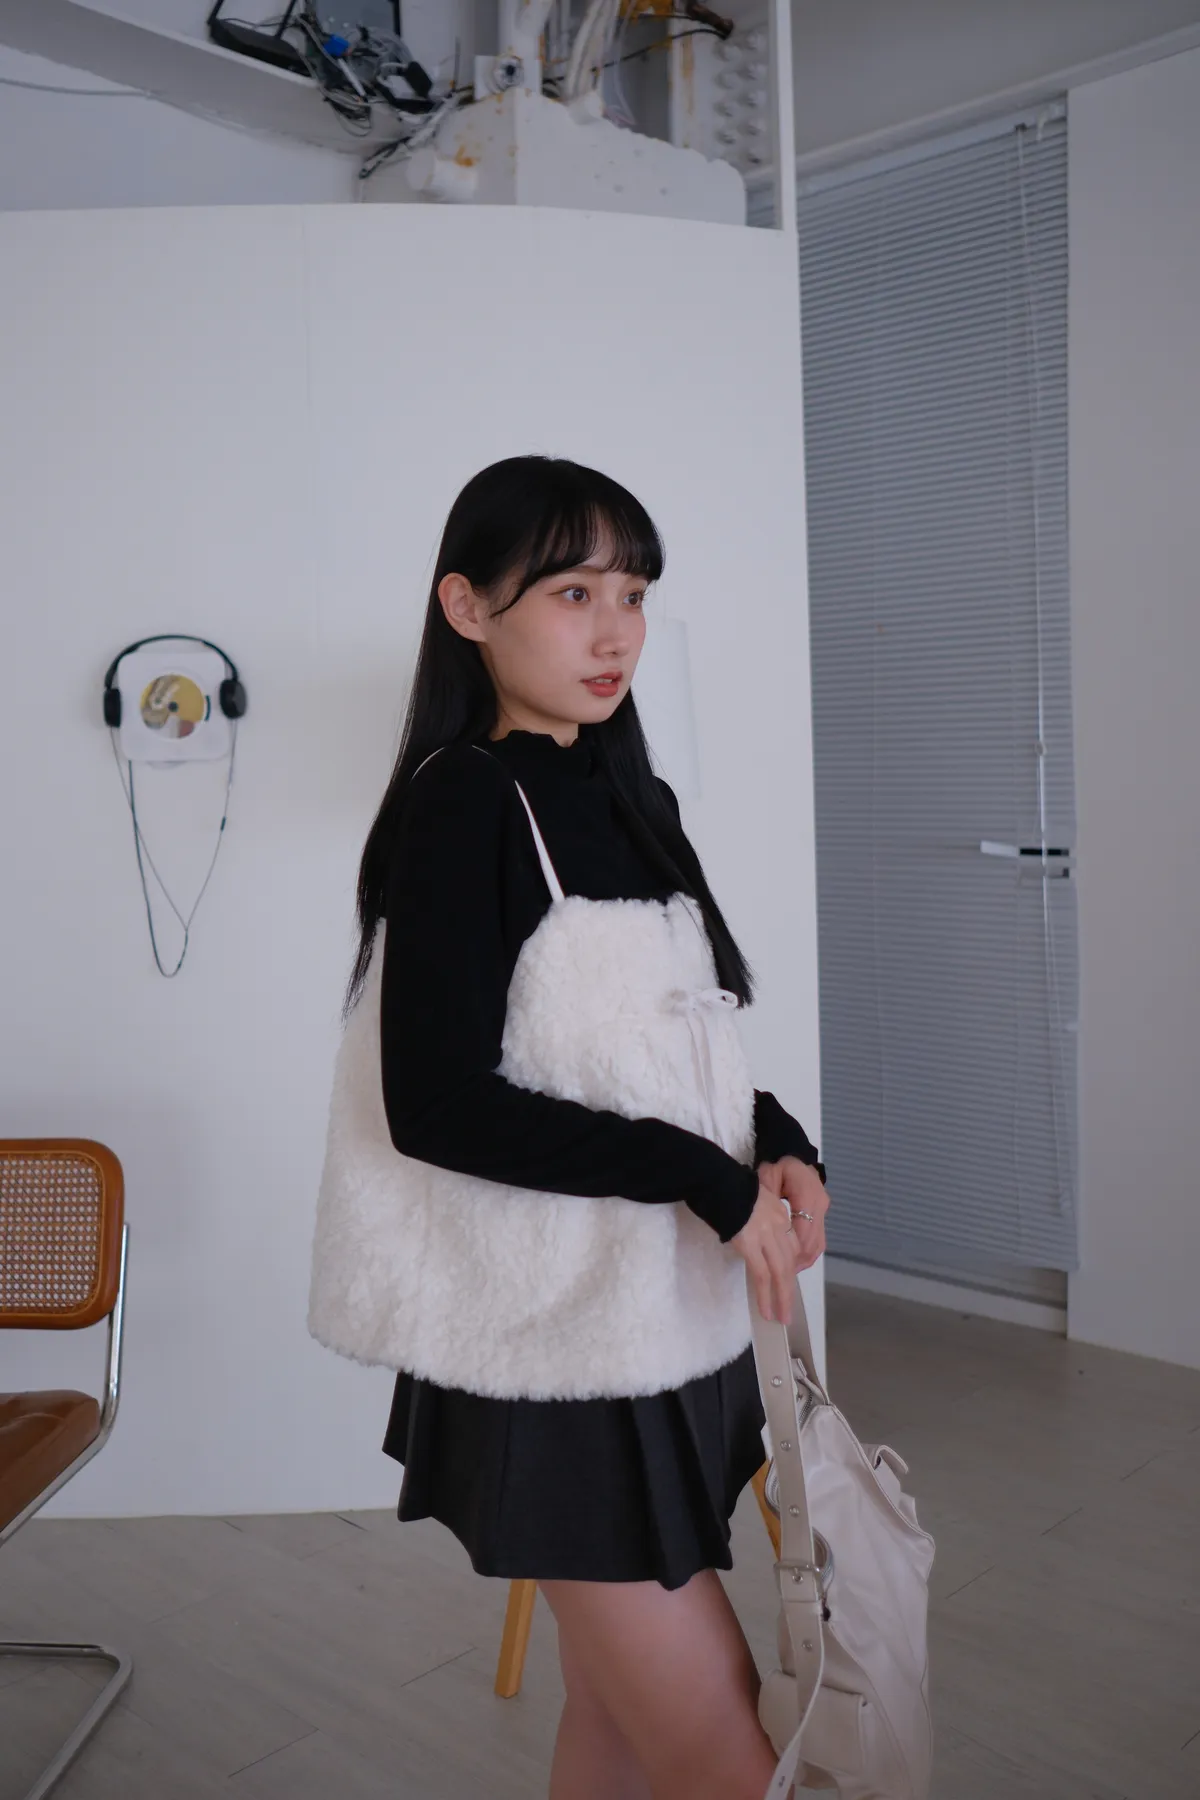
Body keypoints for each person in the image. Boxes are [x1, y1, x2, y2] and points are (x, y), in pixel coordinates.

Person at [308, 455, 830, 1800]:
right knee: (721, 1748)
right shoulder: (463, 802)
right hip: (554, 1355)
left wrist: (777, 1144)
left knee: (615, 1720)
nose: (616, 632)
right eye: (574, 592)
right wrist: (699, 1178)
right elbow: (437, 1106)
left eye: (635, 595)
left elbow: (682, 1040)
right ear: (468, 608)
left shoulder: (628, 794)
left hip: (667, 1328)